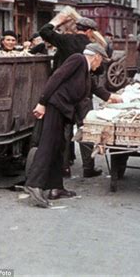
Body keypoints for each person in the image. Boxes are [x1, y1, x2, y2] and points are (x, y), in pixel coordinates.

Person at [24, 43, 122, 208]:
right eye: (101, 61)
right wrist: (42, 103)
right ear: (96, 56)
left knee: (58, 146)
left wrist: (112, 97)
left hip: (63, 110)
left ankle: (55, 188)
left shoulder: (84, 69)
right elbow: (56, 78)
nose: (100, 65)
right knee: (48, 145)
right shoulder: (77, 60)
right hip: (55, 106)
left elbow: (95, 88)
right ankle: (34, 184)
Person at [39, 15, 108, 177]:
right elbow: (99, 70)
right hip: (84, 92)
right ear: (89, 31)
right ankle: (88, 167)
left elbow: (44, 31)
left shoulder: (65, 40)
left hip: (65, 93)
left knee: (65, 131)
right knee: (86, 128)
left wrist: (58, 21)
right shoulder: (92, 46)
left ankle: (64, 168)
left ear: (77, 28)